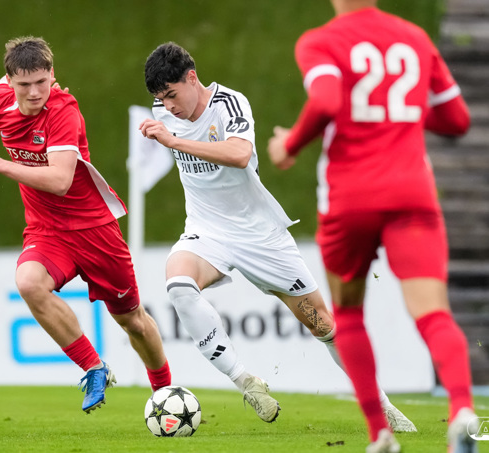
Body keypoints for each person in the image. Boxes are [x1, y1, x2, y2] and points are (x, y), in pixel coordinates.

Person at [139, 42, 414, 431]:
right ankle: (246, 382)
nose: (167, 107)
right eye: (160, 99)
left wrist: (173, 141)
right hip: (206, 230)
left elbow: (239, 154)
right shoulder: (163, 113)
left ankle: (382, 406)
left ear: (192, 78)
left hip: (259, 235)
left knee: (322, 325)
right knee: (179, 286)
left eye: (171, 95)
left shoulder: (229, 103)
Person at [267, 1, 477, 451]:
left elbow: (326, 100)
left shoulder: (322, 41)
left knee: (347, 313)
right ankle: (462, 410)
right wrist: (401, 112)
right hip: (412, 195)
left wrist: (289, 145)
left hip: (350, 197)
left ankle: (380, 434)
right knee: (434, 314)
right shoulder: (415, 38)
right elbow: (457, 119)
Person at [0, 36, 171, 414]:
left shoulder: (63, 112)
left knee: (133, 321)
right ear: (8, 81)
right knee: (29, 283)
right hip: (46, 230)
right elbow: (11, 75)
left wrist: (0, 164)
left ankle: (165, 393)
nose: (34, 93)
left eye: (42, 82)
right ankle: (93, 367)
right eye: (24, 84)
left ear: (53, 75)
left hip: (95, 230)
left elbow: (60, 180)